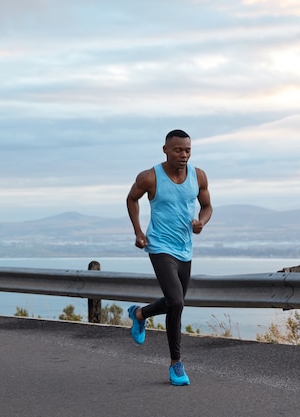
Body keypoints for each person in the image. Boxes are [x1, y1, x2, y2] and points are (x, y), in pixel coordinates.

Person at [126, 129, 213, 386]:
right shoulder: (150, 177)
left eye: (187, 150)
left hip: (185, 248)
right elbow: (132, 199)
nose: (183, 155)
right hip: (160, 246)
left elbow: (207, 206)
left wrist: (202, 222)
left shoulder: (198, 176)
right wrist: (139, 231)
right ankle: (176, 364)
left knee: (175, 302)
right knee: (176, 302)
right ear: (165, 150)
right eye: (178, 150)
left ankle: (139, 314)